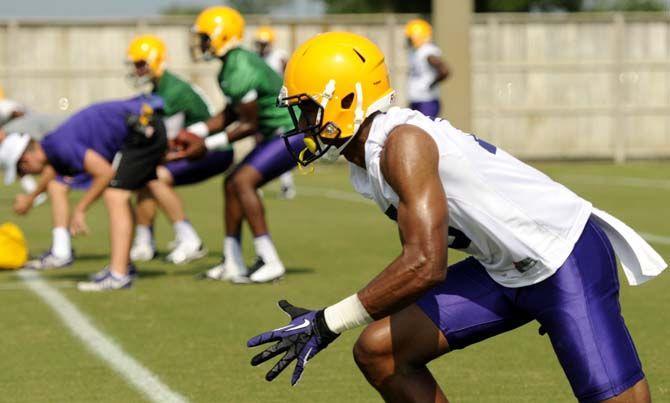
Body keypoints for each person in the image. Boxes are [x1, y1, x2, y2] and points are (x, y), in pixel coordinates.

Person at [246, 32, 666, 402]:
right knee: (381, 352)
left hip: (562, 257)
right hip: (502, 269)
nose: (302, 124)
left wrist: (327, 321)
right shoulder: (368, 159)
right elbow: (418, 257)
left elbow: (426, 265)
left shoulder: (402, 144)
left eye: (308, 110)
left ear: (347, 100)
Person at [171, 6, 302, 283]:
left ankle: (270, 260)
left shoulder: (240, 65)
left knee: (243, 181)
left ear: (221, 35)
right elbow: (230, 114)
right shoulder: (232, 64)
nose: (201, 44)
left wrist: (208, 145)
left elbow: (248, 124)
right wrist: (195, 131)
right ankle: (233, 261)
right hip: (276, 131)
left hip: (293, 130)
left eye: (205, 37)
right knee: (232, 183)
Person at [1, 96, 169, 291]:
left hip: (142, 127)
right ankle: (123, 266)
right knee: (119, 194)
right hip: (142, 125)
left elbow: (104, 173)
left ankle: (118, 275)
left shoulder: (59, 147)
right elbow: (53, 174)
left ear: (26, 159)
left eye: (21, 171)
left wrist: (81, 209)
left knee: (115, 195)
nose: (25, 175)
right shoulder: (52, 147)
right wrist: (31, 198)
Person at [125, 34, 234, 263]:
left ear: (154, 61)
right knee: (145, 176)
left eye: (140, 64)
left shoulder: (171, 91)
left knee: (155, 177)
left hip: (213, 150)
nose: (136, 70)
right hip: (193, 146)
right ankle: (144, 243)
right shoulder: (160, 86)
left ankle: (190, 239)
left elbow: (166, 140)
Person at [254, 25, 296, 200]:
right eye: (260, 43)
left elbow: (290, 76)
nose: (262, 47)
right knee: (259, 145)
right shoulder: (255, 59)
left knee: (279, 145)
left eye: (265, 43)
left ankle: (287, 185)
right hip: (261, 109)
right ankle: (256, 183)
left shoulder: (279, 57)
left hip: (278, 109)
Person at [404, 19, 450, 119]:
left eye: (410, 38)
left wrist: (430, 84)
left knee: (425, 131)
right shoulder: (416, 51)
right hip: (417, 99)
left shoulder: (427, 51)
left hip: (426, 101)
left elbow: (444, 70)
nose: (408, 40)